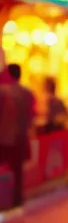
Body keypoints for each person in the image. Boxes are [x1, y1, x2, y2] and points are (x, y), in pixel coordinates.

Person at [0, 63, 35, 208]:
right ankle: (16, 199)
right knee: (18, 171)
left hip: (4, 136)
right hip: (21, 136)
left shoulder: (3, 92)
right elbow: (31, 115)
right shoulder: (27, 93)